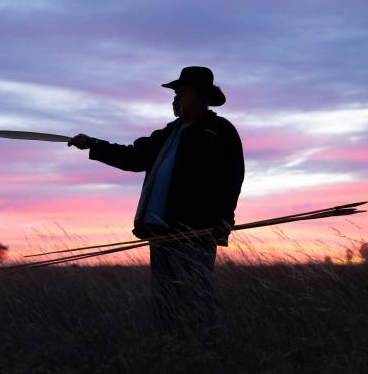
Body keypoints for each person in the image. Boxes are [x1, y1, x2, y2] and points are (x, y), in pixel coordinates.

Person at [68, 66, 245, 362]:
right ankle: (173, 352)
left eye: (181, 92)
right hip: (160, 229)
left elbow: (232, 177)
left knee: (196, 294)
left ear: (200, 96)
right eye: (175, 93)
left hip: (195, 230)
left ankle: (214, 354)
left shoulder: (220, 131)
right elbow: (133, 157)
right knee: (166, 298)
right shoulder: (168, 133)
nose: (175, 98)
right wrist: (94, 145)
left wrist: (223, 220)